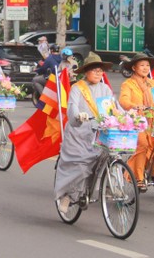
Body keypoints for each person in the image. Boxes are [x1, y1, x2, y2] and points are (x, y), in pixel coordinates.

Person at [55, 53, 113, 214]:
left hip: (100, 132)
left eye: (100, 71)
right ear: (86, 72)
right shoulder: (77, 88)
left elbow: (114, 108)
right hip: (79, 133)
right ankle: (67, 196)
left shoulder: (105, 88)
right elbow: (72, 107)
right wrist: (77, 116)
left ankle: (111, 186)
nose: (98, 73)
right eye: (94, 70)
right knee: (80, 167)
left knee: (117, 155)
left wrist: (129, 117)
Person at [119, 52, 154, 192]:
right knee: (142, 144)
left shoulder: (151, 82)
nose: (145, 68)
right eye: (142, 65)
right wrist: (133, 106)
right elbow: (123, 100)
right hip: (137, 121)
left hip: (153, 120)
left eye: (147, 65)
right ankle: (138, 178)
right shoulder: (128, 84)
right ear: (134, 68)